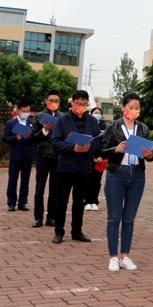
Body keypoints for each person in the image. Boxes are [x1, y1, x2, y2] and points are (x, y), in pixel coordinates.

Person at [100, 93, 153, 272]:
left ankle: (125, 255)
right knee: (114, 217)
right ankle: (113, 257)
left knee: (129, 218)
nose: (133, 111)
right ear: (123, 108)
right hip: (117, 173)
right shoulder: (112, 127)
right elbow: (102, 151)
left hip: (137, 174)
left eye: (137, 108)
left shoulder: (143, 128)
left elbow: (149, 155)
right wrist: (116, 149)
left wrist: (149, 155)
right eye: (130, 107)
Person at [50, 90, 102, 244]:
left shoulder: (92, 121)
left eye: (84, 104)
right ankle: (59, 231)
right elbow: (55, 142)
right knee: (61, 200)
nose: (81, 106)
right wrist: (72, 147)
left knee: (79, 201)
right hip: (66, 166)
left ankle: (77, 231)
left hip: (84, 167)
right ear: (72, 103)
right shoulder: (63, 120)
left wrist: (89, 147)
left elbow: (99, 141)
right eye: (78, 103)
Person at [30, 90, 64, 228]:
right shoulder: (38, 117)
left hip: (57, 157)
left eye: (56, 101)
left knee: (55, 189)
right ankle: (38, 217)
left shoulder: (63, 117)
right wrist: (44, 130)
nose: (53, 103)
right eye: (51, 100)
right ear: (46, 101)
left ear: (59, 102)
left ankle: (51, 217)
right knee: (40, 188)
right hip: (42, 156)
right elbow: (33, 137)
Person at [1, 100, 35, 212]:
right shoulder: (10, 123)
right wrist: (15, 138)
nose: (26, 113)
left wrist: (31, 136)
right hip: (16, 155)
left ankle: (23, 202)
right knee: (13, 179)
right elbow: (4, 138)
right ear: (18, 111)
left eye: (28, 111)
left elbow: (36, 138)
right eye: (24, 111)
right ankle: (11, 202)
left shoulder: (31, 123)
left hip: (28, 155)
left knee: (25, 180)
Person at [84, 107, 106, 211]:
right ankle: (87, 201)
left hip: (100, 158)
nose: (97, 114)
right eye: (95, 112)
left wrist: (102, 156)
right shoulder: (87, 126)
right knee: (87, 180)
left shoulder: (105, 127)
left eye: (99, 113)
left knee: (97, 181)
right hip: (88, 157)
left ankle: (94, 201)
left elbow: (106, 143)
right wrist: (92, 156)